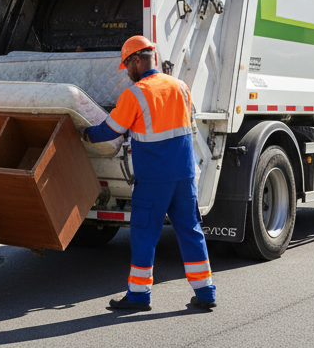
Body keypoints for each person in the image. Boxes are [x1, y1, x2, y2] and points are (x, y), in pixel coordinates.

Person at [82, 35, 217, 312]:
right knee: (191, 231)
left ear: (135, 60)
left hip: (154, 179)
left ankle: (139, 296)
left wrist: (85, 133)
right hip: (184, 175)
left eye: (126, 65)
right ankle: (205, 292)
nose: (127, 73)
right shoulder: (180, 86)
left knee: (144, 234)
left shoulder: (136, 94)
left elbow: (111, 130)